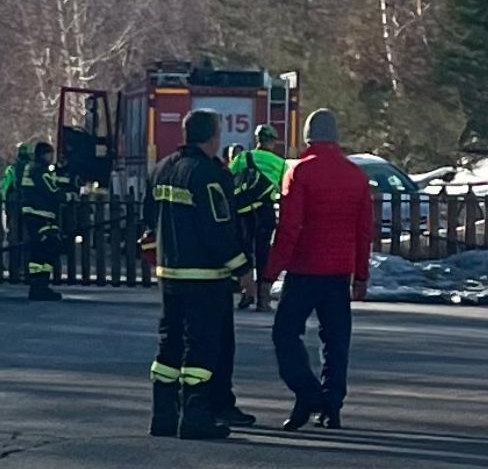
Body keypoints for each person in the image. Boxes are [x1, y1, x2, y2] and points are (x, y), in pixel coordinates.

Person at [145, 109, 253, 440]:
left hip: (170, 276)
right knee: (202, 348)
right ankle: (194, 416)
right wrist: (243, 270)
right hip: (205, 278)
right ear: (212, 137)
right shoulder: (209, 174)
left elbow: (149, 221)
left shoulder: (162, 169)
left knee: (169, 345)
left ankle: (163, 416)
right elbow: (218, 229)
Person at [262, 108, 373, 431]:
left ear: (308, 137)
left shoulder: (299, 173)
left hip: (304, 269)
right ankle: (331, 405)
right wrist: (361, 275)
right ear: (336, 137)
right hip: (339, 272)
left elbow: (289, 228)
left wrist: (270, 273)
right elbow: (363, 232)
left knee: (285, 333)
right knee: (336, 341)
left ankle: (307, 392)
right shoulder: (355, 176)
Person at [228, 125, 286, 311]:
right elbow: (285, 189)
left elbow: (228, 179)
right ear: (273, 142)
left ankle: (247, 291)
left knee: (244, 251)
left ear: (257, 140)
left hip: (243, 212)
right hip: (265, 212)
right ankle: (263, 298)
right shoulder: (280, 163)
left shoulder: (243, 158)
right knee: (264, 254)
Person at [19, 142, 75, 301]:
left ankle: (38, 285)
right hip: (41, 216)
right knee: (47, 248)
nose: (52, 157)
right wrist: (69, 196)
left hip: (35, 215)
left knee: (40, 251)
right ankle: (40, 286)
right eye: (49, 154)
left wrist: (65, 177)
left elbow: (53, 180)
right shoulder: (39, 171)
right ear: (42, 155)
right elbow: (52, 191)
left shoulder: (33, 169)